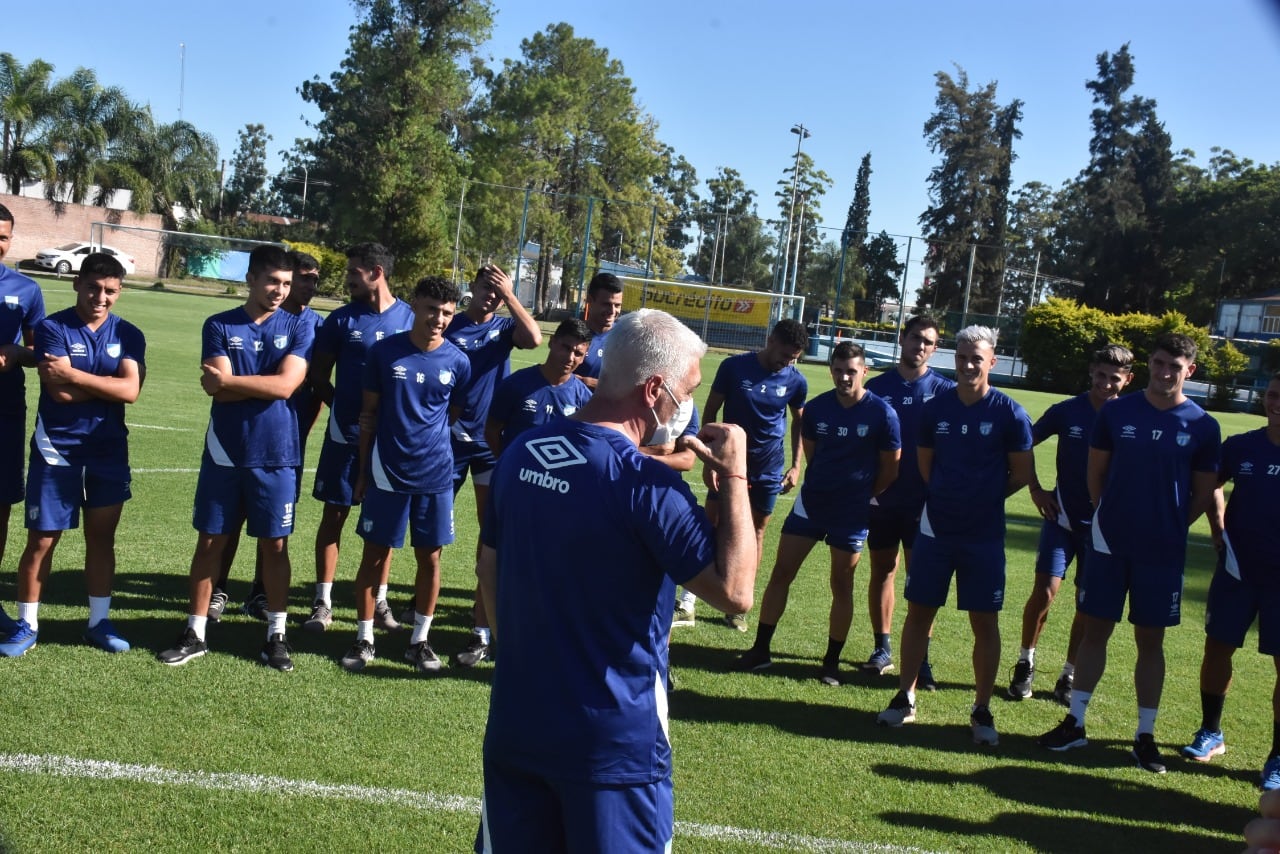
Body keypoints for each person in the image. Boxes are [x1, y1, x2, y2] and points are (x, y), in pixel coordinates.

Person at [475, 308, 758, 851]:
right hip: (613, 743)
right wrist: (736, 476)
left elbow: (489, 565)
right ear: (654, 389)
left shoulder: (521, 452)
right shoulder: (646, 485)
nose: (691, 407)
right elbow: (736, 592)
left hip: (518, 719)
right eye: (688, 389)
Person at [1039, 332, 1221, 773]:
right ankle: (1076, 723)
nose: (1164, 373)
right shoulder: (1118, 412)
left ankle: (1145, 736)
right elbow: (1094, 473)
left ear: (1189, 372)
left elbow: (1203, 492)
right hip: (1108, 544)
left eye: (1174, 368)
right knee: (1095, 630)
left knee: (1150, 642)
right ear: (1149, 365)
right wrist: (1109, 517)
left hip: (1161, 551)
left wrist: (1172, 524)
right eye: (1159, 364)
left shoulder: (1202, 425)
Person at [157, 245, 313, 670]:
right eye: (272, 282)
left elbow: (285, 387)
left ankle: (276, 635)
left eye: (286, 283)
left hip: (277, 453)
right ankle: (195, 631)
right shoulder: (219, 324)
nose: (280, 291)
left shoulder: (299, 327)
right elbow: (214, 387)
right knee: (210, 541)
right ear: (251, 279)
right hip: (225, 452)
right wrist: (236, 383)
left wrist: (232, 381)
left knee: (275, 545)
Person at [876, 325, 1033, 746]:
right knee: (919, 612)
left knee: (984, 620)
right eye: (962, 357)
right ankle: (906, 696)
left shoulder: (1009, 412)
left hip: (983, 534)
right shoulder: (936, 409)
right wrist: (949, 496)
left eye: (976, 359)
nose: (967, 365)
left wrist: (982, 497)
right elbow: (926, 466)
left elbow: (1022, 473)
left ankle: (981, 708)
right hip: (935, 528)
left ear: (992, 361)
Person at [0, 254, 144, 657]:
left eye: (110, 291)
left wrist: (76, 376)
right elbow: (58, 393)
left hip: (109, 449)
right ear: (77, 284)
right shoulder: (52, 328)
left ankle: (98, 622)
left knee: (102, 537)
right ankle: (27, 625)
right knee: (43, 539)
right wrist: (107, 384)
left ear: (120, 292)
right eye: (94, 287)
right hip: (57, 448)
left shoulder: (129, 333)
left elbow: (130, 391)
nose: (101, 297)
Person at [733, 342, 901, 685]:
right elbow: (812, 455)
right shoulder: (818, 409)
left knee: (841, 584)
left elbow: (891, 469)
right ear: (831, 370)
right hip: (811, 505)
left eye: (851, 371)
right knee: (782, 573)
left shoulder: (882, 414)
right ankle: (761, 649)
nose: (844, 377)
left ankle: (830, 662)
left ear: (864, 372)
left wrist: (861, 494)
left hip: (852, 513)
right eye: (838, 370)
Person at [338, 276, 471, 673]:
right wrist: (363, 470)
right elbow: (369, 417)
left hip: (436, 474)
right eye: (432, 309)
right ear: (414, 304)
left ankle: (419, 641)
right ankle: (364, 638)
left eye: (447, 313)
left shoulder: (458, 362)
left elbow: (452, 414)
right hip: (387, 471)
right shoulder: (384, 353)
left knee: (430, 558)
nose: (439, 319)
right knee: (374, 557)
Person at [1007, 345, 1134, 703]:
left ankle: (1069, 673)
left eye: (1115, 378)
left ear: (1127, 380)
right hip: (1060, 520)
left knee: (1085, 604)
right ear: (1091, 371)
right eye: (1101, 375)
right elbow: (1022, 442)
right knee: (1044, 592)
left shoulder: (1130, 417)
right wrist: (1034, 489)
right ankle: (1025, 663)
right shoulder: (1068, 411)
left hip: (1102, 530)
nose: (1106, 384)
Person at [209, 250, 326, 624]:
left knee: (274, 531)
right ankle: (218, 590)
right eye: (297, 278)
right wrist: (267, 385)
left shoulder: (311, 325)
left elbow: (298, 385)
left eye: (308, 280)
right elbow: (221, 390)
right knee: (225, 526)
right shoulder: (225, 325)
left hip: (284, 440)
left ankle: (262, 596)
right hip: (237, 441)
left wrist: (230, 382)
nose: (302, 286)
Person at [304, 243, 414, 632]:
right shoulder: (340, 321)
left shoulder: (410, 318)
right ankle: (322, 601)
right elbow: (318, 376)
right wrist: (343, 411)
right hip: (345, 435)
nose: (348, 277)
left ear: (376, 272)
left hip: (392, 441)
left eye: (354, 271)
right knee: (333, 515)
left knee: (383, 523)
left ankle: (379, 600)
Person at [1180, 372, 1280, 787]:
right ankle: (1211, 732)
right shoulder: (1242, 447)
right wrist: (1218, 530)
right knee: (1217, 649)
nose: (1277, 402)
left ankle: (1278, 756)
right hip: (1238, 570)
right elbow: (1207, 486)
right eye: (1273, 394)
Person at [444, 263, 541, 668]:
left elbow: (534, 339)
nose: (492, 296)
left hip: (488, 444)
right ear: (472, 285)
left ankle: (481, 628)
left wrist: (512, 296)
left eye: (498, 291)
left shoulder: (503, 330)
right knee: (426, 530)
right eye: (487, 287)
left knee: (490, 538)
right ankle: (406, 608)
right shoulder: (449, 324)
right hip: (446, 442)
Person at [862, 315, 955, 685]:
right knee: (882, 569)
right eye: (915, 338)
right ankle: (882, 647)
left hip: (926, 502)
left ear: (934, 349)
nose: (920, 346)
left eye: (928, 342)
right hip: (884, 498)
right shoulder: (877, 387)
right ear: (902, 339)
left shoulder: (946, 391)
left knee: (923, 580)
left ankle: (922, 660)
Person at [700, 318, 807, 631]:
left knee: (757, 531)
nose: (786, 362)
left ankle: (738, 602)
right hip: (729, 464)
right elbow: (710, 413)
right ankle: (689, 597)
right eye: (784, 354)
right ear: (770, 339)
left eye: (793, 358)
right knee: (712, 522)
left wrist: (796, 464)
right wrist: (710, 460)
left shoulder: (797, 381)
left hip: (768, 468)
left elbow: (799, 421)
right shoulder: (734, 368)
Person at [0, 203, 46, 643]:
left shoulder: (26, 290)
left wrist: (17, 355)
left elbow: (39, 353)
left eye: (3, 237)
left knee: (0, 503)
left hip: (4, 409)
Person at [484, 318, 592, 456]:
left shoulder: (583, 398)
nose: (570, 357)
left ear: (583, 358)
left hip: (556, 477)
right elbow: (491, 430)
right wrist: (506, 463)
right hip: (516, 474)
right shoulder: (516, 383)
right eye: (566, 348)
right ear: (552, 342)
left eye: (578, 354)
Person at [572, 272, 624, 390]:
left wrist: (590, 382)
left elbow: (631, 385)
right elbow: (556, 374)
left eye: (617, 305)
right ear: (589, 300)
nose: (612, 311)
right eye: (606, 304)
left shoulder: (625, 338)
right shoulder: (572, 333)